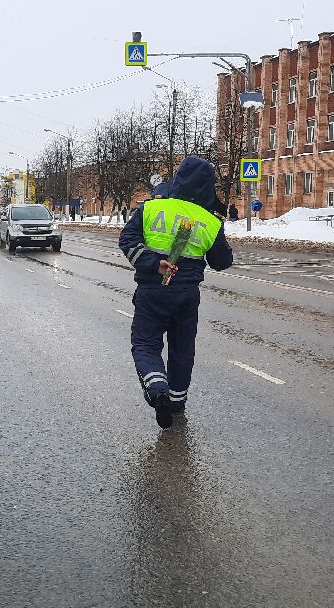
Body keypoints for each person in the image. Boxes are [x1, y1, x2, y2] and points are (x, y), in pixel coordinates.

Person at [118, 156, 233, 429]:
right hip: (187, 295)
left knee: (146, 344)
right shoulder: (208, 220)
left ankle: (157, 389)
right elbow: (221, 262)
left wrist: (152, 263)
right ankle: (177, 402)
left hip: (152, 291)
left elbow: (127, 240)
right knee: (182, 349)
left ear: (179, 178)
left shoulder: (152, 208)